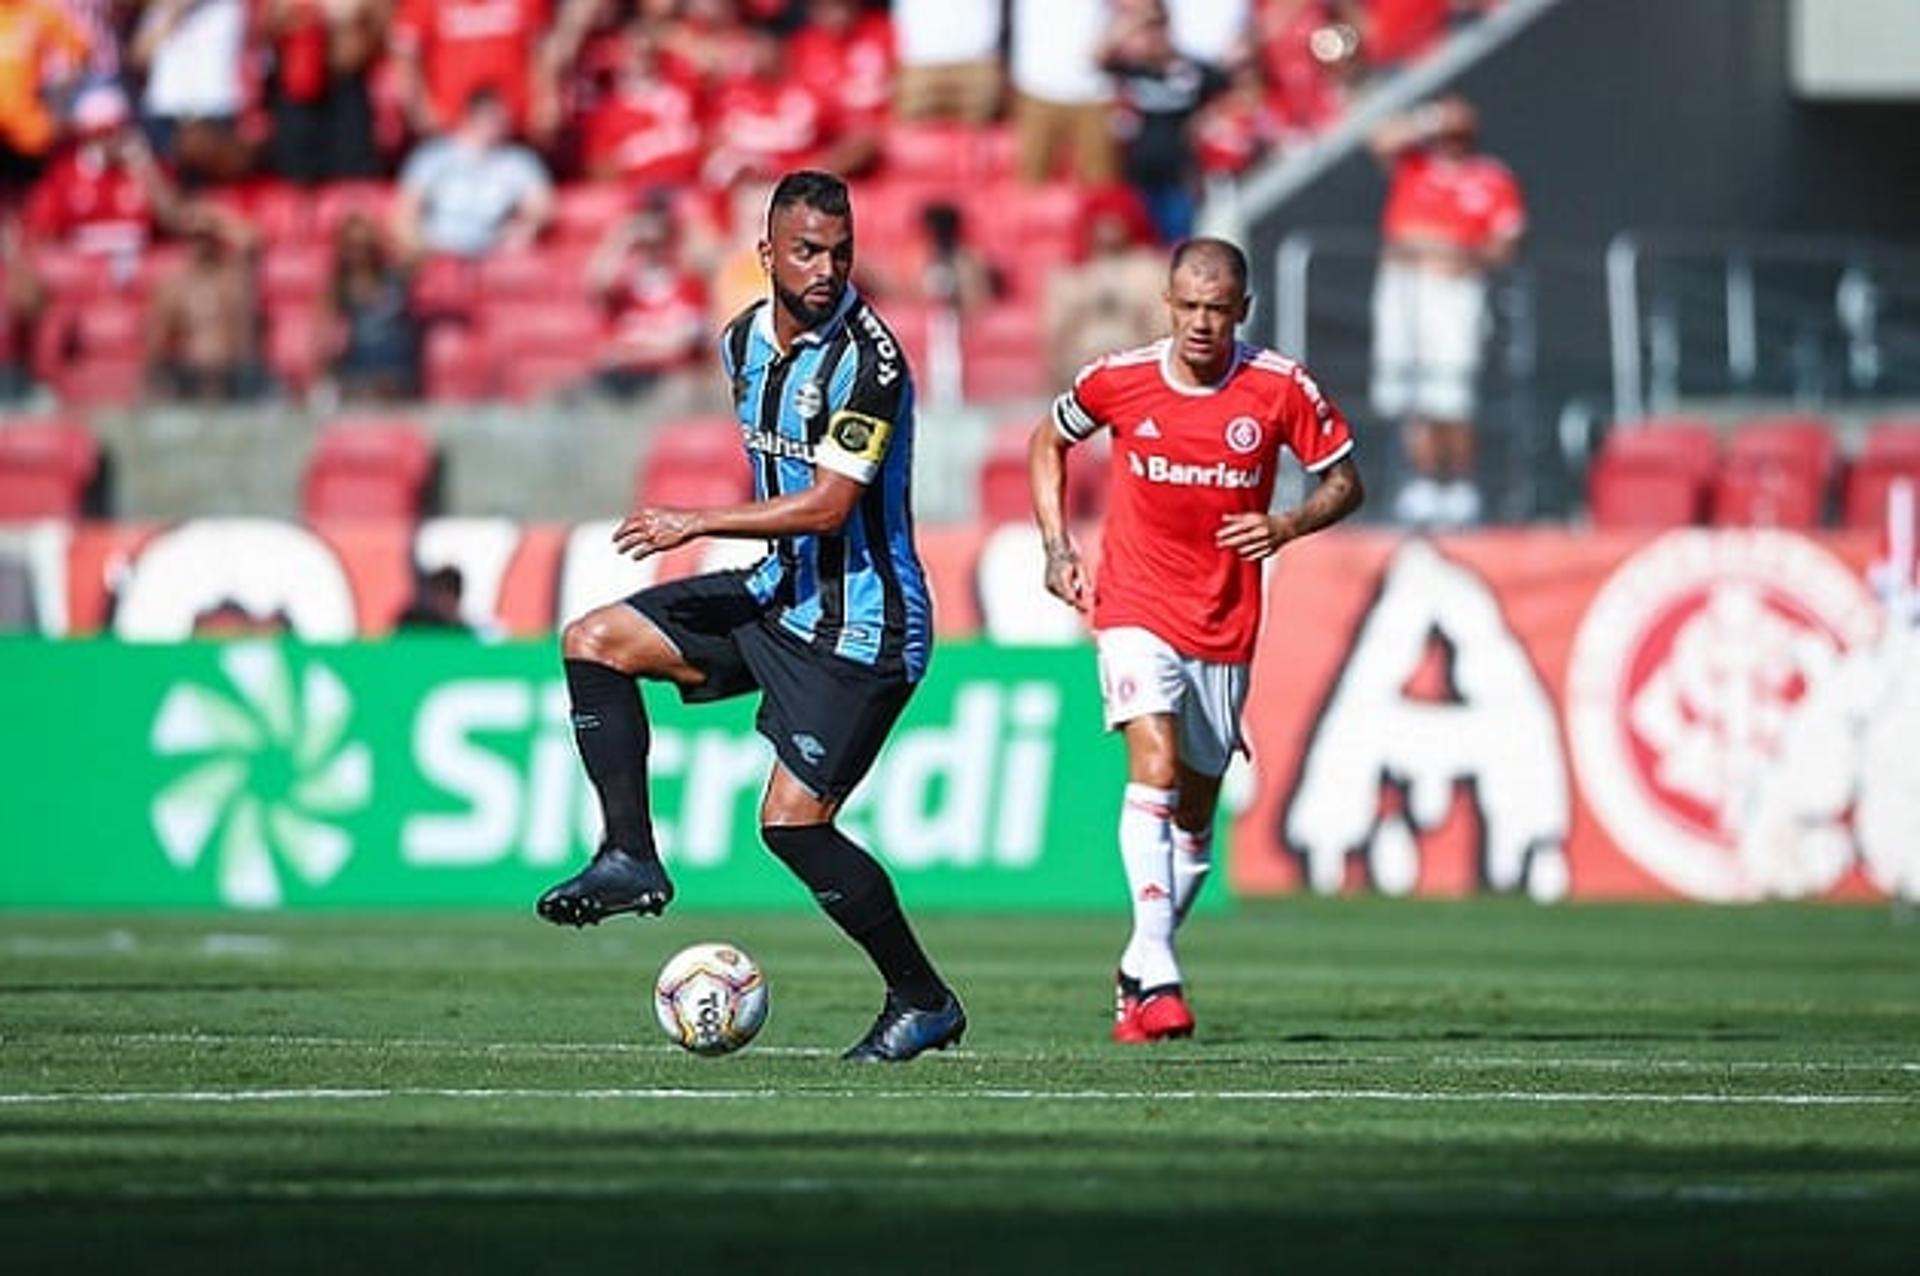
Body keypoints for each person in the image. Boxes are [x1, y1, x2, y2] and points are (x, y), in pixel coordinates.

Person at [536, 169, 966, 1064]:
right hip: (779, 595)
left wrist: (693, 521)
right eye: (808, 251)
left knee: (791, 827)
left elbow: (827, 507)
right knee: (595, 641)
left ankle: (922, 1001)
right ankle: (628, 855)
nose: (827, 268)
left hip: (864, 627)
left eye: (842, 253)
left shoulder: (870, 364)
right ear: (765, 254)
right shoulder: (740, 344)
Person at [1028, 237, 1362, 1042]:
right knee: (1152, 761)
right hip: (1134, 601)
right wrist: (1057, 546)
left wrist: (1286, 524)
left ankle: (1141, 967)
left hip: (1224, 620)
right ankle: (1161, 968)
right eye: (1190, 308)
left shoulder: (1279, 388)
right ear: (1168, 306)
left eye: (1220, 310)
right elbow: (1050, 440)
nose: (1203, 324)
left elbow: (1347, 481)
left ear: (1241, 311)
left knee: (1196, 810)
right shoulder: (1120, 379)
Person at [1368, 94, 1524, 528]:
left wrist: (1458, 258)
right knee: (1407, 387)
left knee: (1450, 387)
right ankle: (1422, 480)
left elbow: (1505, 242)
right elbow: (1379, 140)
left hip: (1451, 289)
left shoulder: (1490, 178)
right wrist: (1431, 117)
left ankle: (1458, 482)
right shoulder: (1414, 164)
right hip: (1402, 286)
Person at [390, 87, 553, 260]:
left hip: (490, 252)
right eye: (490, 117)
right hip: (436, 249)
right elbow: (406, 210)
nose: (498, 123)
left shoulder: (518, 161)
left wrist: (524, 230)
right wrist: (418, 247)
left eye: (501, 118)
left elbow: (542, 206)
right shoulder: (434, 155)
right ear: (469, 117)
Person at [323, 210, 419, 402]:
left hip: (397, 373)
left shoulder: (396, 278)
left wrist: (387, 241)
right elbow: (324, 342)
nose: (359, 252)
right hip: (357, 373)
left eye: (364, 245)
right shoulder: (336, 289)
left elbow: (420, 256)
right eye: (351, 245)